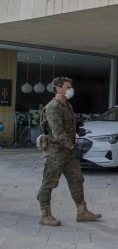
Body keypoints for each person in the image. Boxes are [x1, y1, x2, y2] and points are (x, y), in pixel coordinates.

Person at [37, 76, 102, 226]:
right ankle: (45, 215)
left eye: (70, 87)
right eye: (67, 87)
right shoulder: (53, 107)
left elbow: (67, 127)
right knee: (49, 182)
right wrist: (74, 148)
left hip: (69, 153)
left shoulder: (68, 106)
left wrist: (78, 128)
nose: (70, 90)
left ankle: (82, 212)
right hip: (55, 153)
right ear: (58, 89)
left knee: (77, 180)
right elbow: (58, 133)